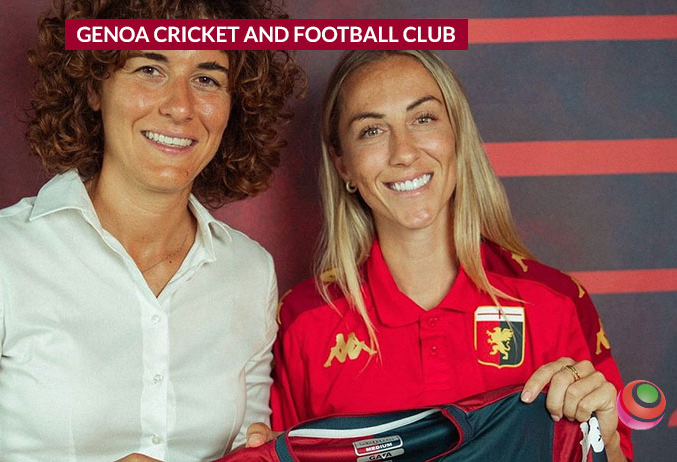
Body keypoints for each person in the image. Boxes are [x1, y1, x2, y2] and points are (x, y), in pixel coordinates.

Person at [0, 1, 303, 461]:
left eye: (207, 78)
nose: (180, 106)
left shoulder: (252, 270)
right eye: (150, 69)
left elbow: (248, 441)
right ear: (95, 86)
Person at [261, 50, 632, 461]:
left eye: (423, 119)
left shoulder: (556, 302)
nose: (404, 152)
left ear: (458, 134)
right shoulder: (303, 321)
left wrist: (607, 441)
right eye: (371, 130)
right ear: (343, 163)